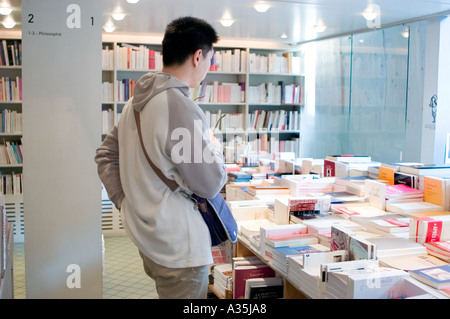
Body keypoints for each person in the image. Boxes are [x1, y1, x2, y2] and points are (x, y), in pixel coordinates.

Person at [95, 16, 226, 299]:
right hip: (179, 246)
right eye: (209, 61)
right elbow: (210, 183)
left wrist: (126, 202)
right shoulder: (179, 107)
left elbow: (105, 155)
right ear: (197, 56)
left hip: (149, 234)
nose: (207, 70)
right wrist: (214, 146)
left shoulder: (135, 102)